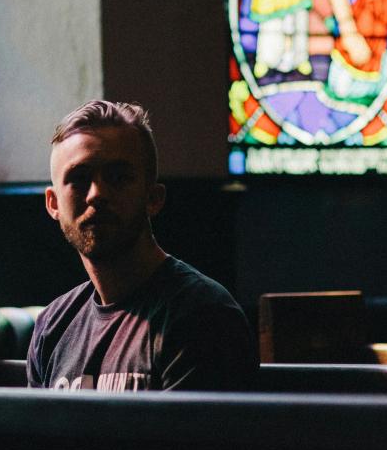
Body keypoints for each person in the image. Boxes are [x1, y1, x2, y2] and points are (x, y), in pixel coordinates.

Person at [27, 101, 256, 391]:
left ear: (153, 198)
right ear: (53, 203)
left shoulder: (203, 317)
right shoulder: (53, 326)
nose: (96, 195)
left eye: (118, 178)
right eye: (79, 179)